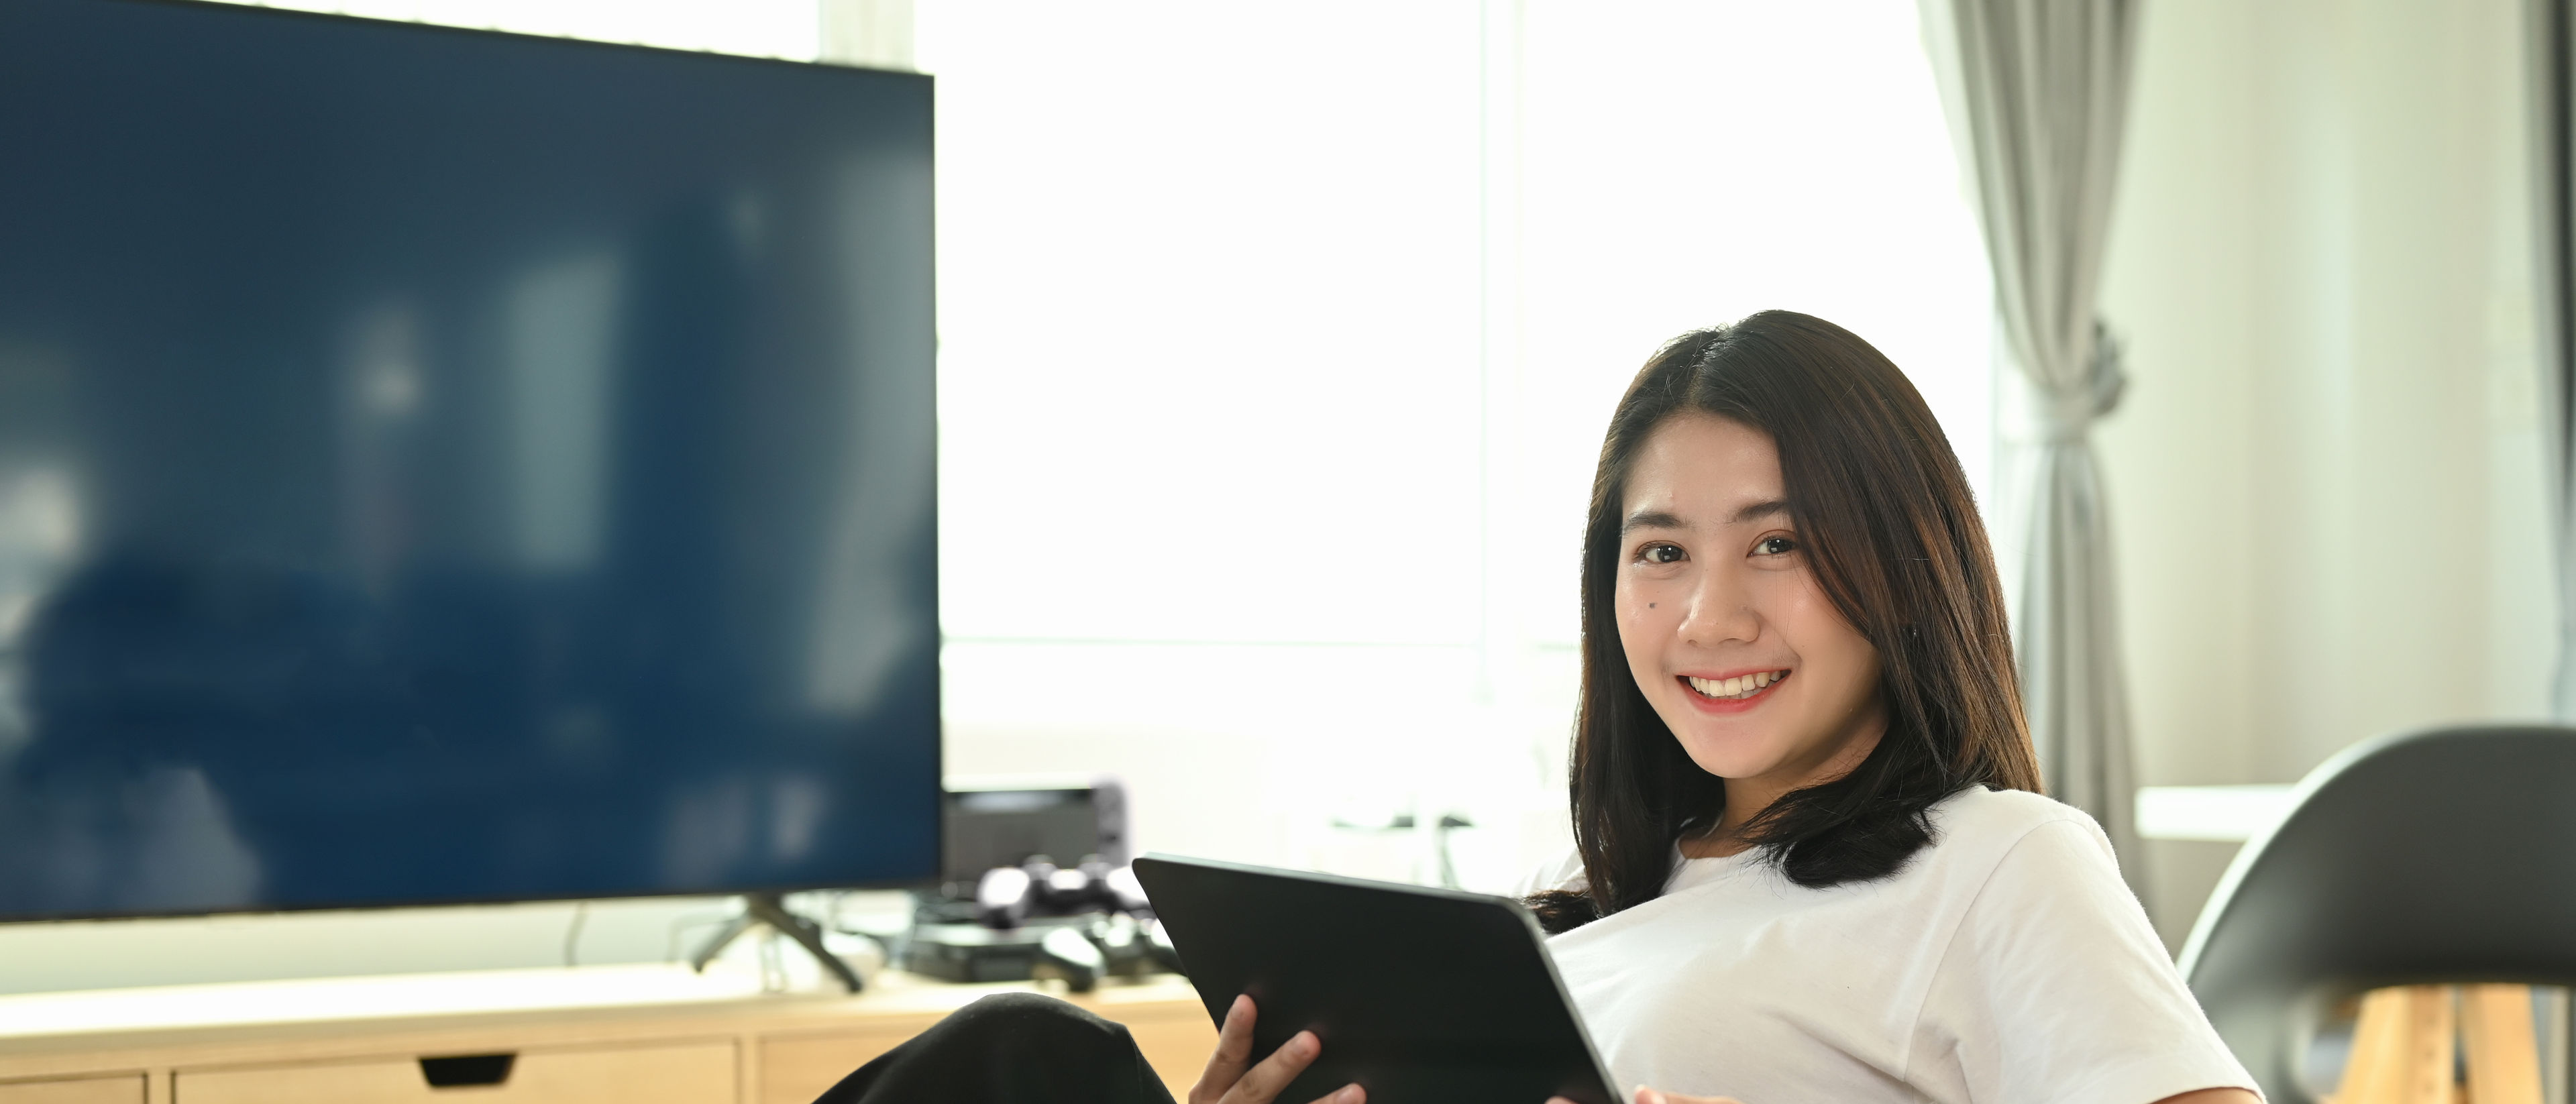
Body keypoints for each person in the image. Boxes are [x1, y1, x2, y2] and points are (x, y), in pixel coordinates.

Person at [813, 311, 2258, 1104]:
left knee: (1025, 1066)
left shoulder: (1999, 858)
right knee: (1018, 1064)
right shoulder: (1584, 918)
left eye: (1779, 541)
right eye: (1660, 552)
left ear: (1903, 558)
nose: (1711, 617)